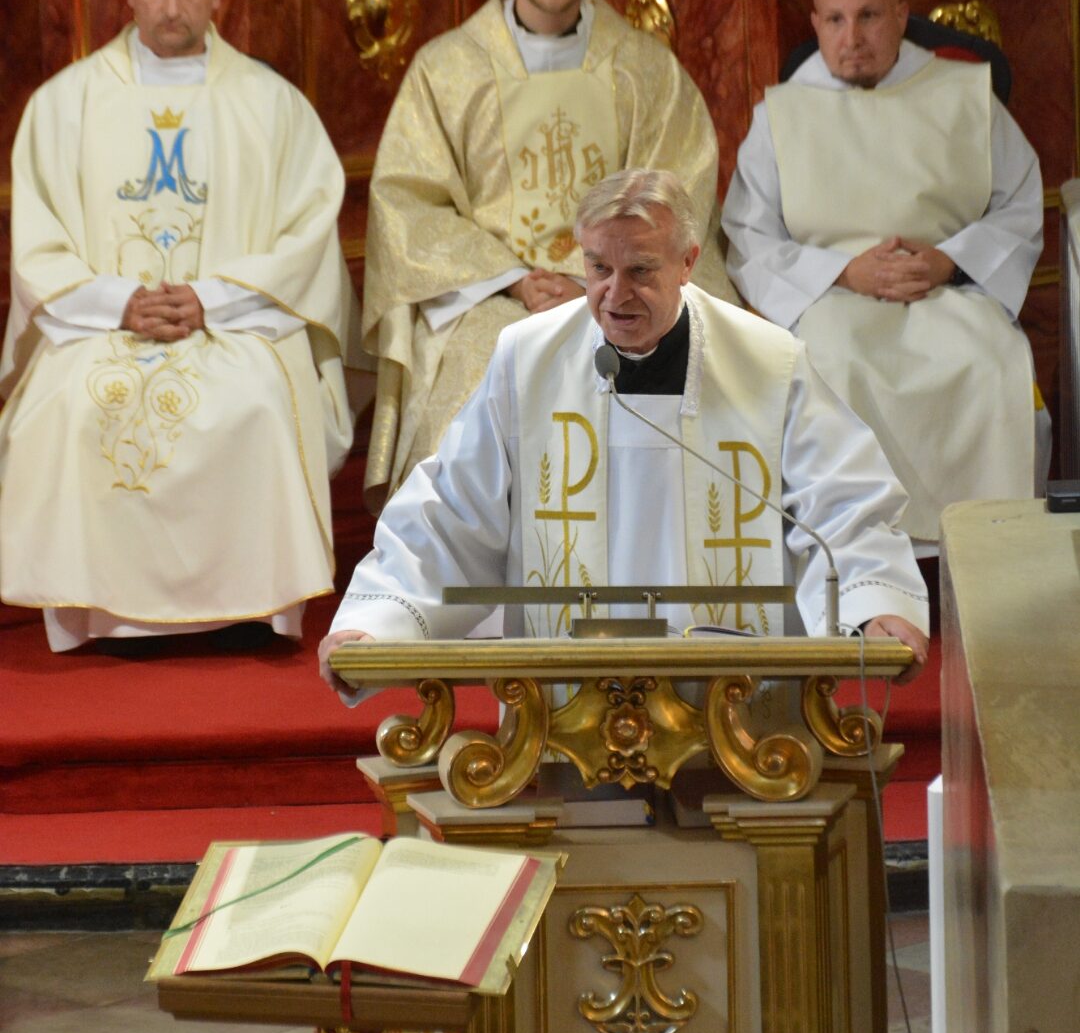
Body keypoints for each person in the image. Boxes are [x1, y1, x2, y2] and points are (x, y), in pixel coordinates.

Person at [320, 169, 928, 693]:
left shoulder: (767, 363)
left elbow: (839, 502)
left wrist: (873, 603)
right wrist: (376, 622)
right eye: (598, 268)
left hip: (738, 706)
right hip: (569, 702)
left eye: (640, 269)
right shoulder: (527, 358)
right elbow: (452, 509)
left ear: (688, 262)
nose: (615, 294)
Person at [0, 0, 364, 651]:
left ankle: (255, 604)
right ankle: (91, 606)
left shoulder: (271, 104)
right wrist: (119, 303)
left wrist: (212, 299)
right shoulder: (65, 105)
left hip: (235, 323)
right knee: (72, 403)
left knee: (258, 400)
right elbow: (38, 246)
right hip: (102, 324)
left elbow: (307, 236)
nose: (172, 8)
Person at [361, 0, 730, 508]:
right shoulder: (448, 70)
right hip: (492, 296)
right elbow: (407, 205)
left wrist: (596, 280)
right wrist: (515, 279)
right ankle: (478, 567)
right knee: (479, 369)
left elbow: (679, 194)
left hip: (621, 292)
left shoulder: (645, 70)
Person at [721, 0, 1046, 546]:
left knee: (989, 361)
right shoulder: (781, 116)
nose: (852, 38)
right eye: (835, 20)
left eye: (868, 16)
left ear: (901, 15)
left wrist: (950, 260)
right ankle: (856, 559)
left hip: (947, 295)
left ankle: (988, 555)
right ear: (816, 24)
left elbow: (1020, 204)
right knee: (831, 366)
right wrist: (843, 271)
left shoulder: (965, 95)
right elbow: (747, 233)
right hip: (833, 302)